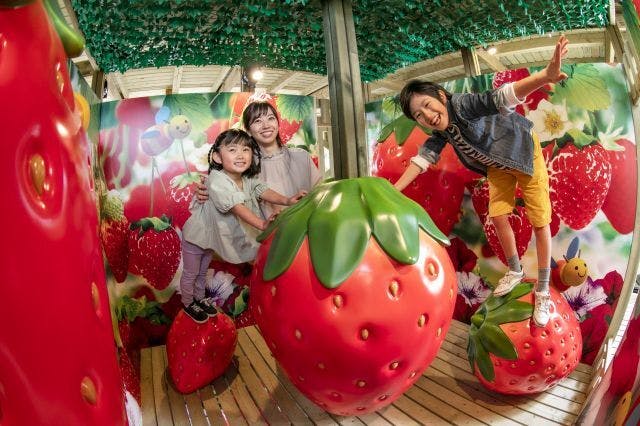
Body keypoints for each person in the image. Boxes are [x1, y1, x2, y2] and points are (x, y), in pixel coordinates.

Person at [394, 35, 569, 327]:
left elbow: (503, 97)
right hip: (498, 167)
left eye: (427, 104)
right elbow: (423, 159)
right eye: (418, 115)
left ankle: (542, 288)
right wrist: (395, 188)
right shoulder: (442, 130)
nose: (426, 115)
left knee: (540, 221)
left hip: (525, 155)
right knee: (498, 216)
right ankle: (514, 270)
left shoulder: (462, 105)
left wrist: (544, 76)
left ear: (440, 95)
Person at [180, 129, 306, 322]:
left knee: (202, 271)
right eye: (232, 150)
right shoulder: (216, 179)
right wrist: (262, 224)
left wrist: (287, 200)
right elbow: (237, 207)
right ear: (217, 157)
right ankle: (189, 303)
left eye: (246, 149)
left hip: (208, 239)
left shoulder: (246, 178)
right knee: (191, 273)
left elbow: (262, 191)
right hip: (196, 236)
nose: (240, 155)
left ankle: (199, 299)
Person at [198, 100, 321, 217]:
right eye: (257, 121)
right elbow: (222, 189)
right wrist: (204, 191)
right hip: (265, 234)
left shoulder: (301, 156)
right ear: (248, 130)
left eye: (271, 118)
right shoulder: (243, 165)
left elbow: (320, 193)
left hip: (306, 230)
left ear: (278, 123)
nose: (266, 125)